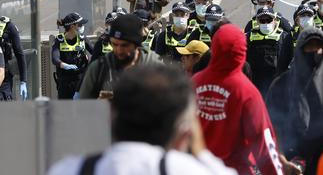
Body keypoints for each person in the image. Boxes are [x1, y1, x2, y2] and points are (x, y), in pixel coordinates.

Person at [48, 64, 235, 175]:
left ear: (110, 117)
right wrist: (200, 151)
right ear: (184, 134)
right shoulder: (185, 170)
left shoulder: (68, 170)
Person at [193, 23, 284, 175]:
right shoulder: (247, 92)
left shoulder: (194, 83)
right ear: (242, 50)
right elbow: (264, 144)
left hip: (196, 168)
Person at [266, 28, 323, 174]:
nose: (314, 51)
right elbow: (270, 126)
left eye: (318, 46)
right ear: (300, 49)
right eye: (309, 46)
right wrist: (281, 160)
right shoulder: (282, 83)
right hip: (290, 159)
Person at [80, 14, 161, 99]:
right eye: (114, 44)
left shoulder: (155, 66)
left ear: (136, 45)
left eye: (124, 45)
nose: (119, 50)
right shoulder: (98, 69)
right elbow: (85, 106)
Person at [246, 6, 294, 96]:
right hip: (256, 84)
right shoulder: (249, 37)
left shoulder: (285, 37)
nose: (266, 23)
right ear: (257, 21)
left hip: (278, 85)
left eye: (268, 20)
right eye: (262, 21)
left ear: (274, 20)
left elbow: (290, 60)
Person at [51, 13, 91, 99]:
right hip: (65, 82)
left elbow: (95, 52)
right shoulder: (59, 40)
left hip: (80, 82)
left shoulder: (83, 38)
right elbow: (54, 58)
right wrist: (64, 65)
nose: (82, 26)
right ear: (72, 26)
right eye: (80, 24)